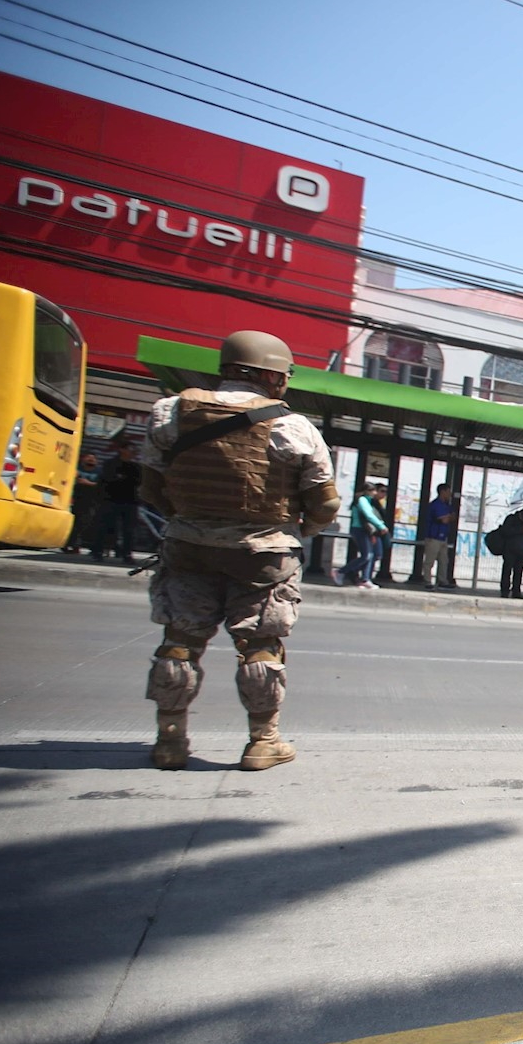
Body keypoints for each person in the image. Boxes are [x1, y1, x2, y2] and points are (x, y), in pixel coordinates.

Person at [138, 329, 339, 771]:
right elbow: (324, 500)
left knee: (180, 643)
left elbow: (151, 487)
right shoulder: (292, 425)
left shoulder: (170, 411)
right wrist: (303, 529)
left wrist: (189, 518)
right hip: (263, 555)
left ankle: (170, 740)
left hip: (187, 546)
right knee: (260, 646)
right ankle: (262, 741)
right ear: (276, 378)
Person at [92, 434, 142, 564]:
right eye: (130, 449)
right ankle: (98, 551)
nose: (132, 452)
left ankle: (127, 554)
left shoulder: (136, 467)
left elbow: (139, 482)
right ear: (122, 450)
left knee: (129, 530)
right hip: (111, 500)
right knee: (105, 526)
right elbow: (108, 479)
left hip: (130, 501)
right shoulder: (111, 464)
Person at [336, 483, 389, 589]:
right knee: (367, 555)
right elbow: (368, 515)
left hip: (367, 531)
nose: (375, 493)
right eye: (373, 490)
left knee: (371, 555)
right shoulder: (362, 500)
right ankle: (342, 571)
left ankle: (364, 578)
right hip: (360, 530)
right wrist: (381, 526)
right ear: (367, 491)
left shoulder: (368, 501)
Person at [420, 483, 457, 590]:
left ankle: (442, 580)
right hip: (433, 536)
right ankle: (427, 580)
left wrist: (449, 517)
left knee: (444, 560)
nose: (450, 494)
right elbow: (444, 519)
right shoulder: (436, 505)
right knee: (429, 561)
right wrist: (449, 517)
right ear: (443, 491)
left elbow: (452, 517)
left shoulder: (446, 505)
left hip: (443, 537)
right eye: (448, 491)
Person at [63, 451, 100, 553]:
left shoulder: (99, 472)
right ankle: (68, 544)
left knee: (84, 524)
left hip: (91, 502)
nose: (91, 460)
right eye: (88, 458)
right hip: (75, 500)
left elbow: (102, 485)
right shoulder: (76, 469)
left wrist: (88, 483)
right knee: (72, 523)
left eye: (93, 458)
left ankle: (77, 544)